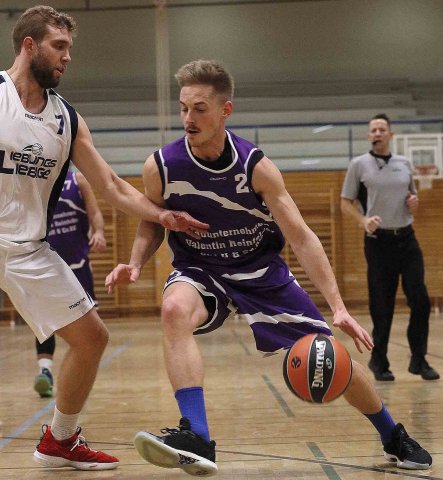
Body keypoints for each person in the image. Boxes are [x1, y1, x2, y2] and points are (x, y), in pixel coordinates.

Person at [106, 60, 432, 477]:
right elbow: (151, 220)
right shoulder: (162, 166)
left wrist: (338, 306)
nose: (188, 118)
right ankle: (197, 436)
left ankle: (392, 435)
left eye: (200, 108)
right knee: (173, 310)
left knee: (329, 355)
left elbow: (302, 237)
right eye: (184, 108)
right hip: (201, 269)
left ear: (225, 110)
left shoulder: (255, 167)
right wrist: (135, 263)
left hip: (261, 273)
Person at [0, 6, 208, 471]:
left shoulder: (66, 120)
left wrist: (162, 214)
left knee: (92, 338)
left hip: (28, 250)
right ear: (29, 46)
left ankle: (60, 440)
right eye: (59, 46)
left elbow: (111, 185)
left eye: (70, 48)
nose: (67, 56)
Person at [340, 114, 439, 382]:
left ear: (390, 134)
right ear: (368, 135)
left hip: (407, 239)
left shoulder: (404, 164)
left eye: (382, 129)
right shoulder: (358, 165)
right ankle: (379, 361)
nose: (377, 133)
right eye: (373, 129)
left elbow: (411, 196)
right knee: (382, 305)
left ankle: (419, 360)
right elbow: (345, 203)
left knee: (420, 300)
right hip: (378, 243)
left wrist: (413, 202)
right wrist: (363, 221)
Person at [33, 170, 107, 398]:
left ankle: (82, 373)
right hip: (45, 263)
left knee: (89, 325)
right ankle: (44, 371)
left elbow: (94, 212)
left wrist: (99, 232)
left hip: (77, 264)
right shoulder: (35, 181)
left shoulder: (78, 179)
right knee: (45, 319)